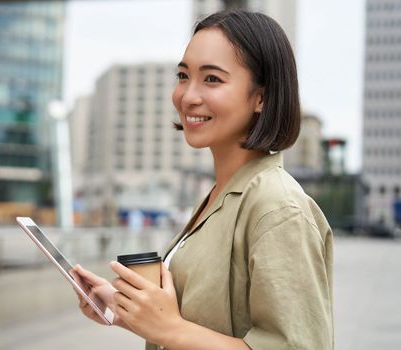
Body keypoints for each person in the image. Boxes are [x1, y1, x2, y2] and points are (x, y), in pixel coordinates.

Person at [73, 9, 334, 350]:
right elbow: (205, 323)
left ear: (262, 97)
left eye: (212, 79)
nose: (188, 95)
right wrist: (129, 310)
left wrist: (170, 330)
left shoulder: (278, 208)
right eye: (183, 76)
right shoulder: (218, 197)